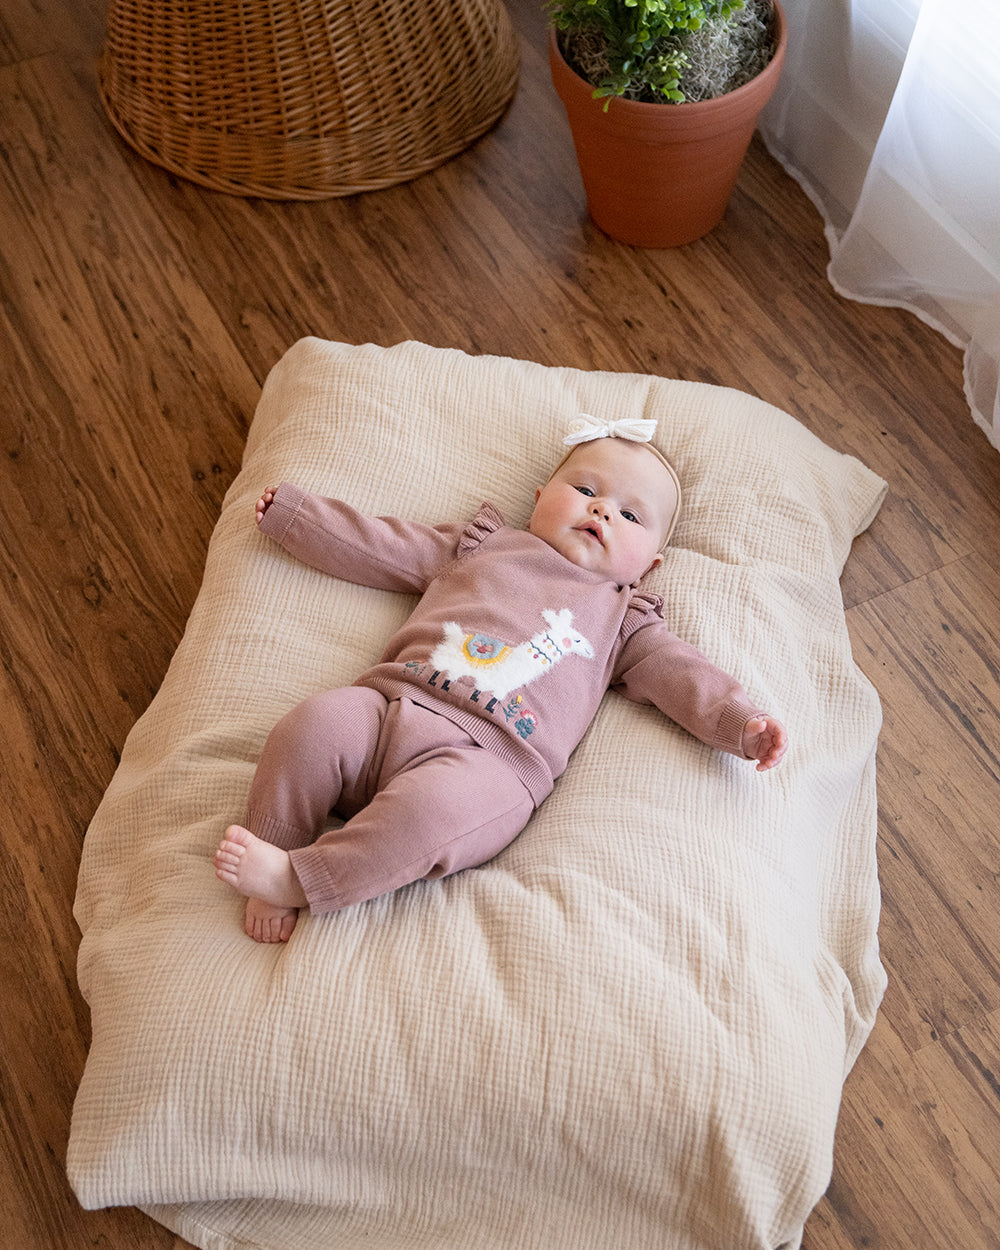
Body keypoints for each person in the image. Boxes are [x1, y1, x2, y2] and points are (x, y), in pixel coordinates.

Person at [214, 415, 788, 942]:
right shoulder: (482, 547)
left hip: (493, 761)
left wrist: (740, 723)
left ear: (651, 564)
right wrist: (298, 519)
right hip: (391, 703)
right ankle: (273, 844)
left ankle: (302, 879)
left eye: (630, 515)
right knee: (311, 725)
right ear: (539, 500)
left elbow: (684, 676)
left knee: (429, 816)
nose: (602, 511)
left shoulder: (622, 620)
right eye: (586, 490)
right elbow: (384, 545)